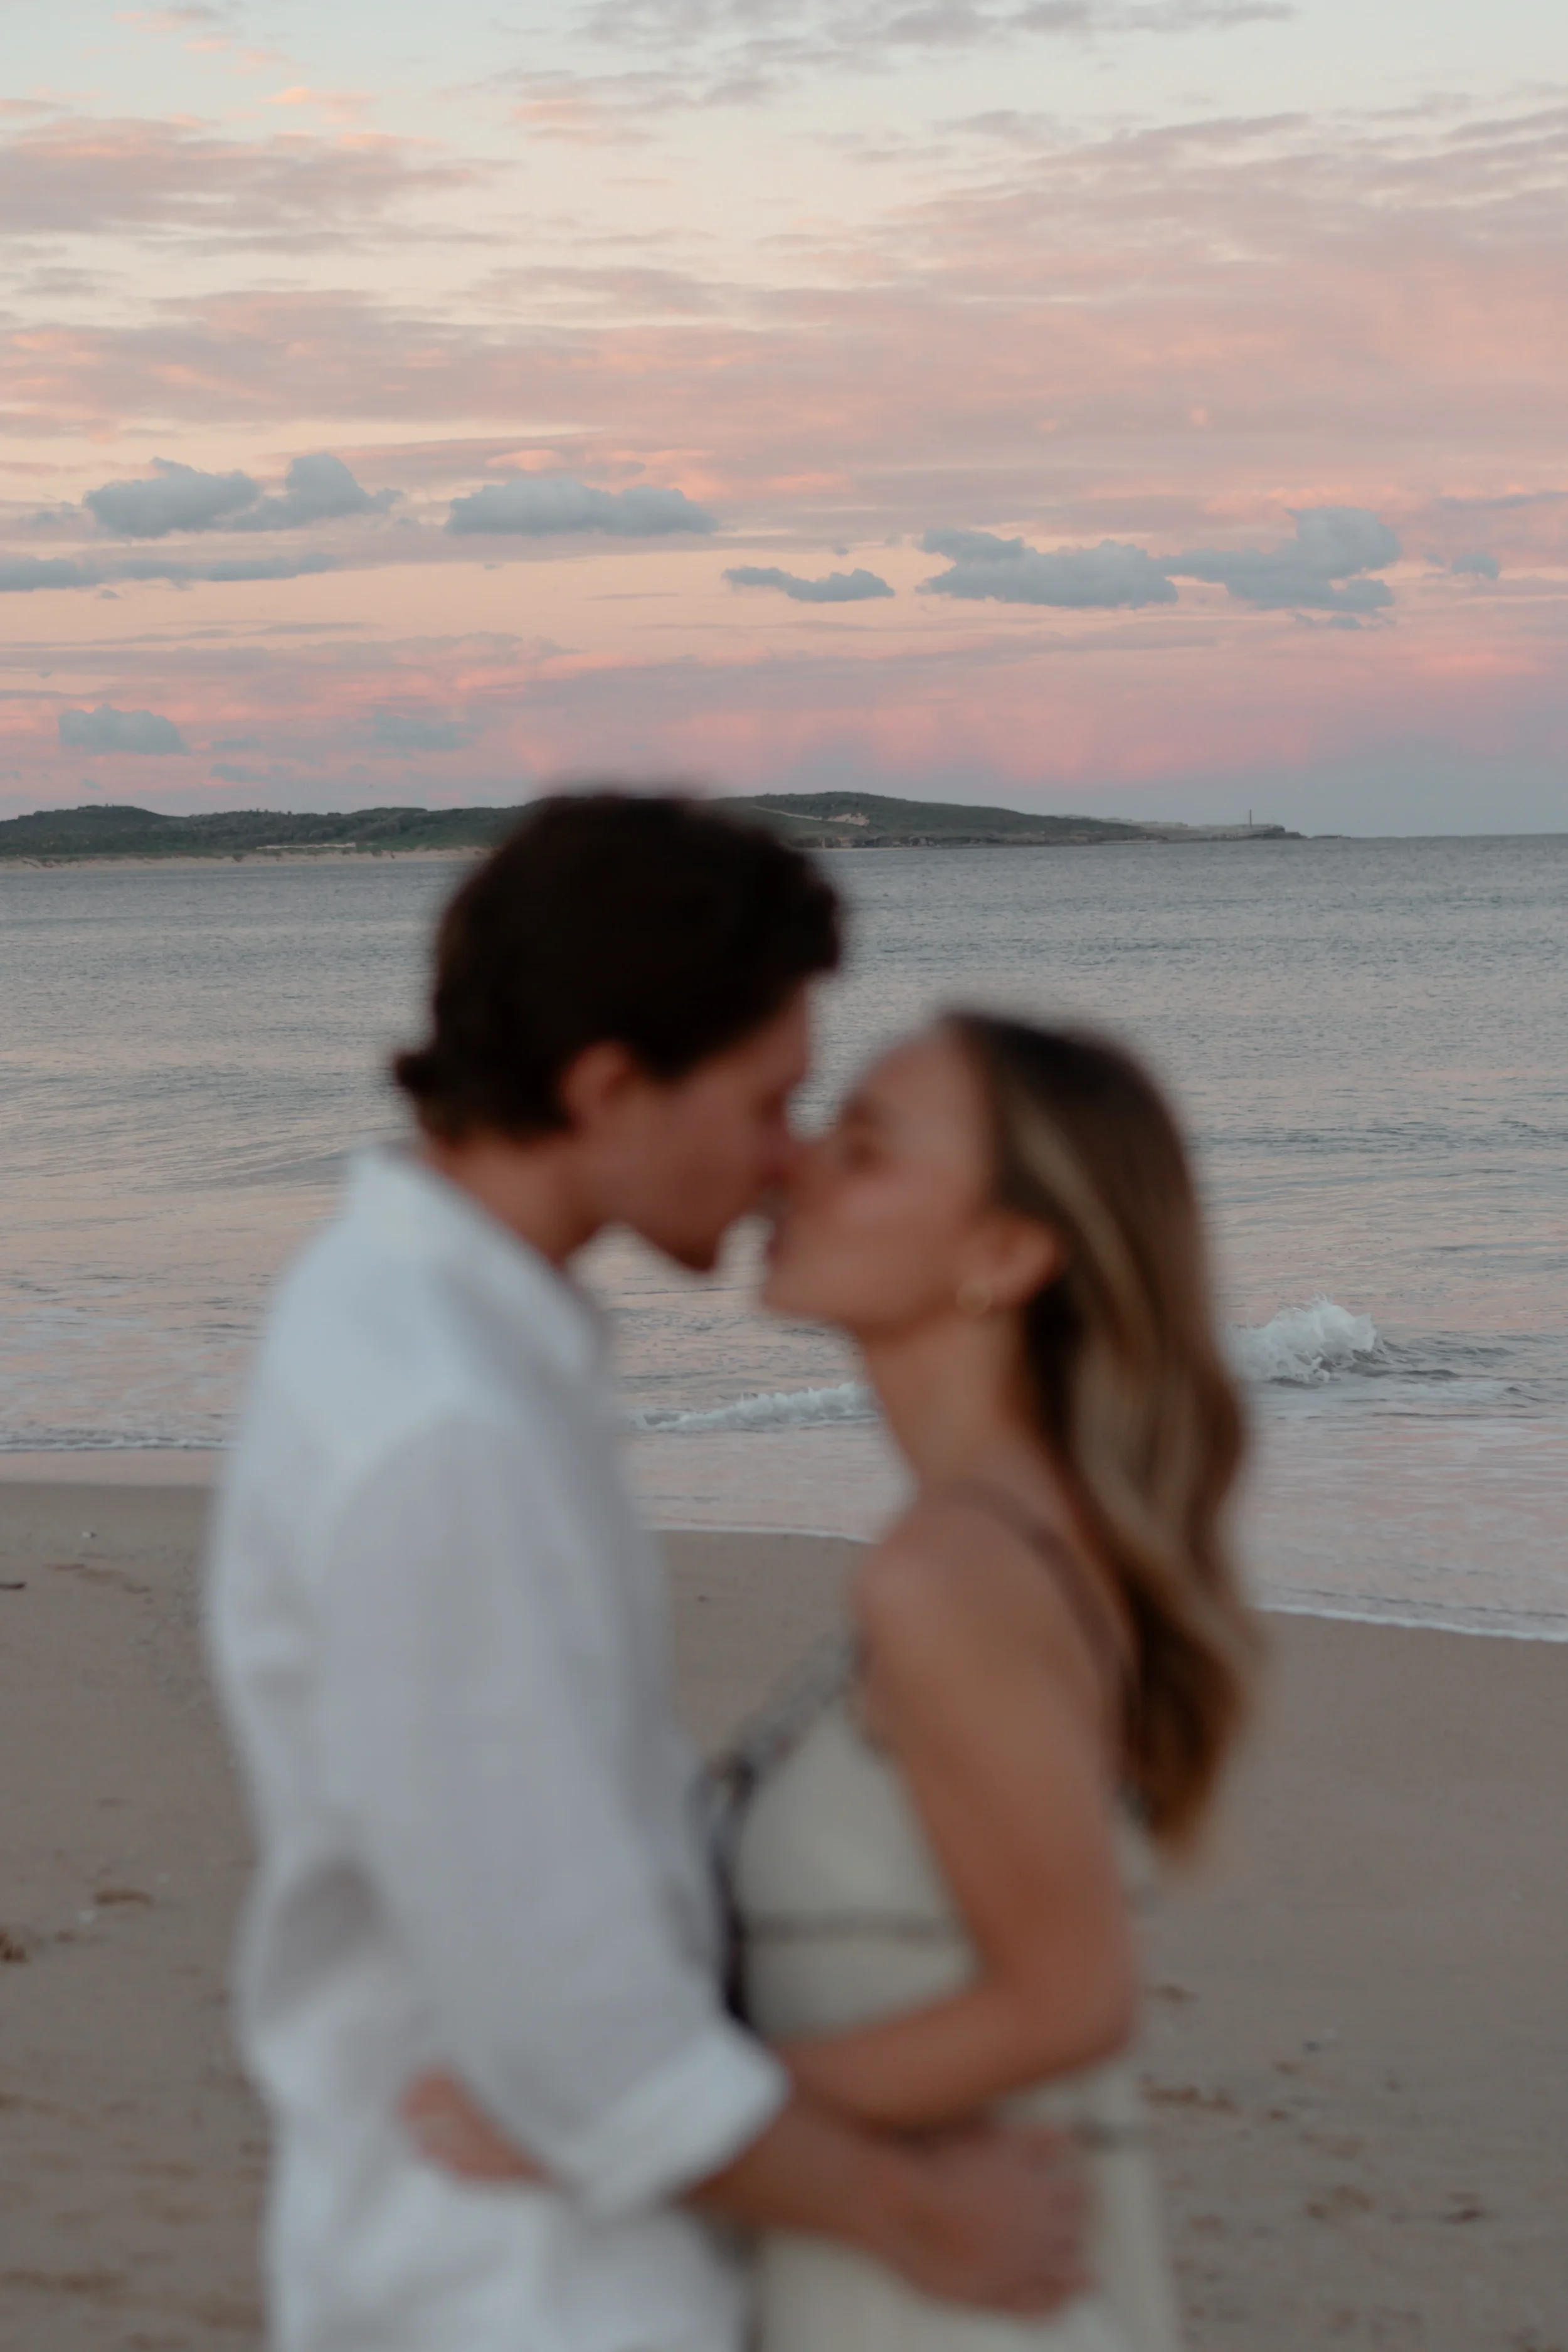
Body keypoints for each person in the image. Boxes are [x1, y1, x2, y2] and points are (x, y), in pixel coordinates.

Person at [206, 794, 1089, 2352]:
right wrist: (917, 2213)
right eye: (767, 1101)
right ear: (608, 1090)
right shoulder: (444, 1431)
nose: (788, 1158)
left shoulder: (422, 1339)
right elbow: (571, 2022)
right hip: (518, 2290)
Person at [408, 1010, 1259, 2349]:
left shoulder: (949, 1575)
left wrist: (618, 2118)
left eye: (864, 1147)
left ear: (1004, 1252)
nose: (795, 1162)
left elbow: (1068, 1999)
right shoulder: (1014, 1541)